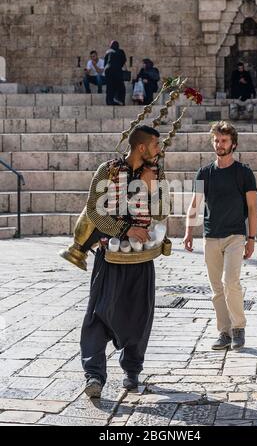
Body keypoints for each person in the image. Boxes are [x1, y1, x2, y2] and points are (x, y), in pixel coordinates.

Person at [80, 125, 170, 398]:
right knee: (98, 315)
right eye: (155, 144)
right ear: (141, 147)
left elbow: (163, 211)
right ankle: (94, 375)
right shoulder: (106, 171)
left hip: (141, 259)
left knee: (139, 316)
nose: (159, 149)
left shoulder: (157, 173)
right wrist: (125, 230)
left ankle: (132, 371)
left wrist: (150, 186)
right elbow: (94, 213)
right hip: (110, 258)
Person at [183, 121, 257, 351]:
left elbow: (253, 208)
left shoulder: (244, 173)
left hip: (235, 236)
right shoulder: (203, 172)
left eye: (224, 140)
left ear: (233, 143)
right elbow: (194, 205)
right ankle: (224, 332)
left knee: (230, 282)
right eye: (216, 140)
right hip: (211, 236)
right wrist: (188, 231)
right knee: (216, 288)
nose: (219, 144)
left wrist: (251, 238)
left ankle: (239, 328)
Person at [104, 40, 127, 105]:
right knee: (120, 86)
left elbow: (105, 63)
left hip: (108, 71)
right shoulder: (121, 51)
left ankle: (109, 101)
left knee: (110, 87)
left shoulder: (108, 52)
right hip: (117, 71)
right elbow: (123, 61)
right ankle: (120, 100)